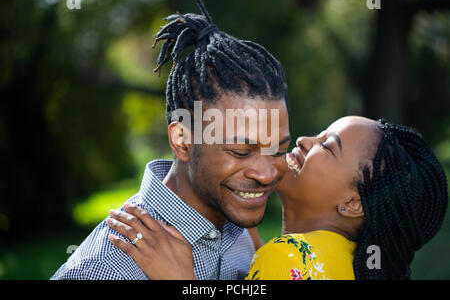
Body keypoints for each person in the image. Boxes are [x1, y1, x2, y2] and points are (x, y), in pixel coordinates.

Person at [51, 0, 291, 280]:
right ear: (182, 141)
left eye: (278, 150)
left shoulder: (240, 230)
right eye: (241, 151)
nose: (266, 174)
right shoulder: (104, 269)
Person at [106, 116, 448, 280]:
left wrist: (180, 280)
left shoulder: (287, 260)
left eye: (327, 146)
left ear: (353, 203)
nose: (303, 140)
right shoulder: (347, 263)